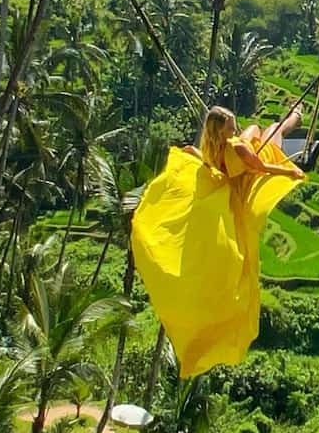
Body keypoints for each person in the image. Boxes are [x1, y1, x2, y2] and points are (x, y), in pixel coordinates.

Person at [131, 105, 306, 378]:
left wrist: (194, 153)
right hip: (246, 180)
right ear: (222, 130)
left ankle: (292, 115)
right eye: (231, 127)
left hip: (233, 172)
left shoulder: (212, 146)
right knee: (275, 131)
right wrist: (290, 173)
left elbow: (214, 161)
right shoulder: (237, 148)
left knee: (255, 131)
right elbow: (261, 167)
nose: (234, 129)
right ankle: (297, 114)